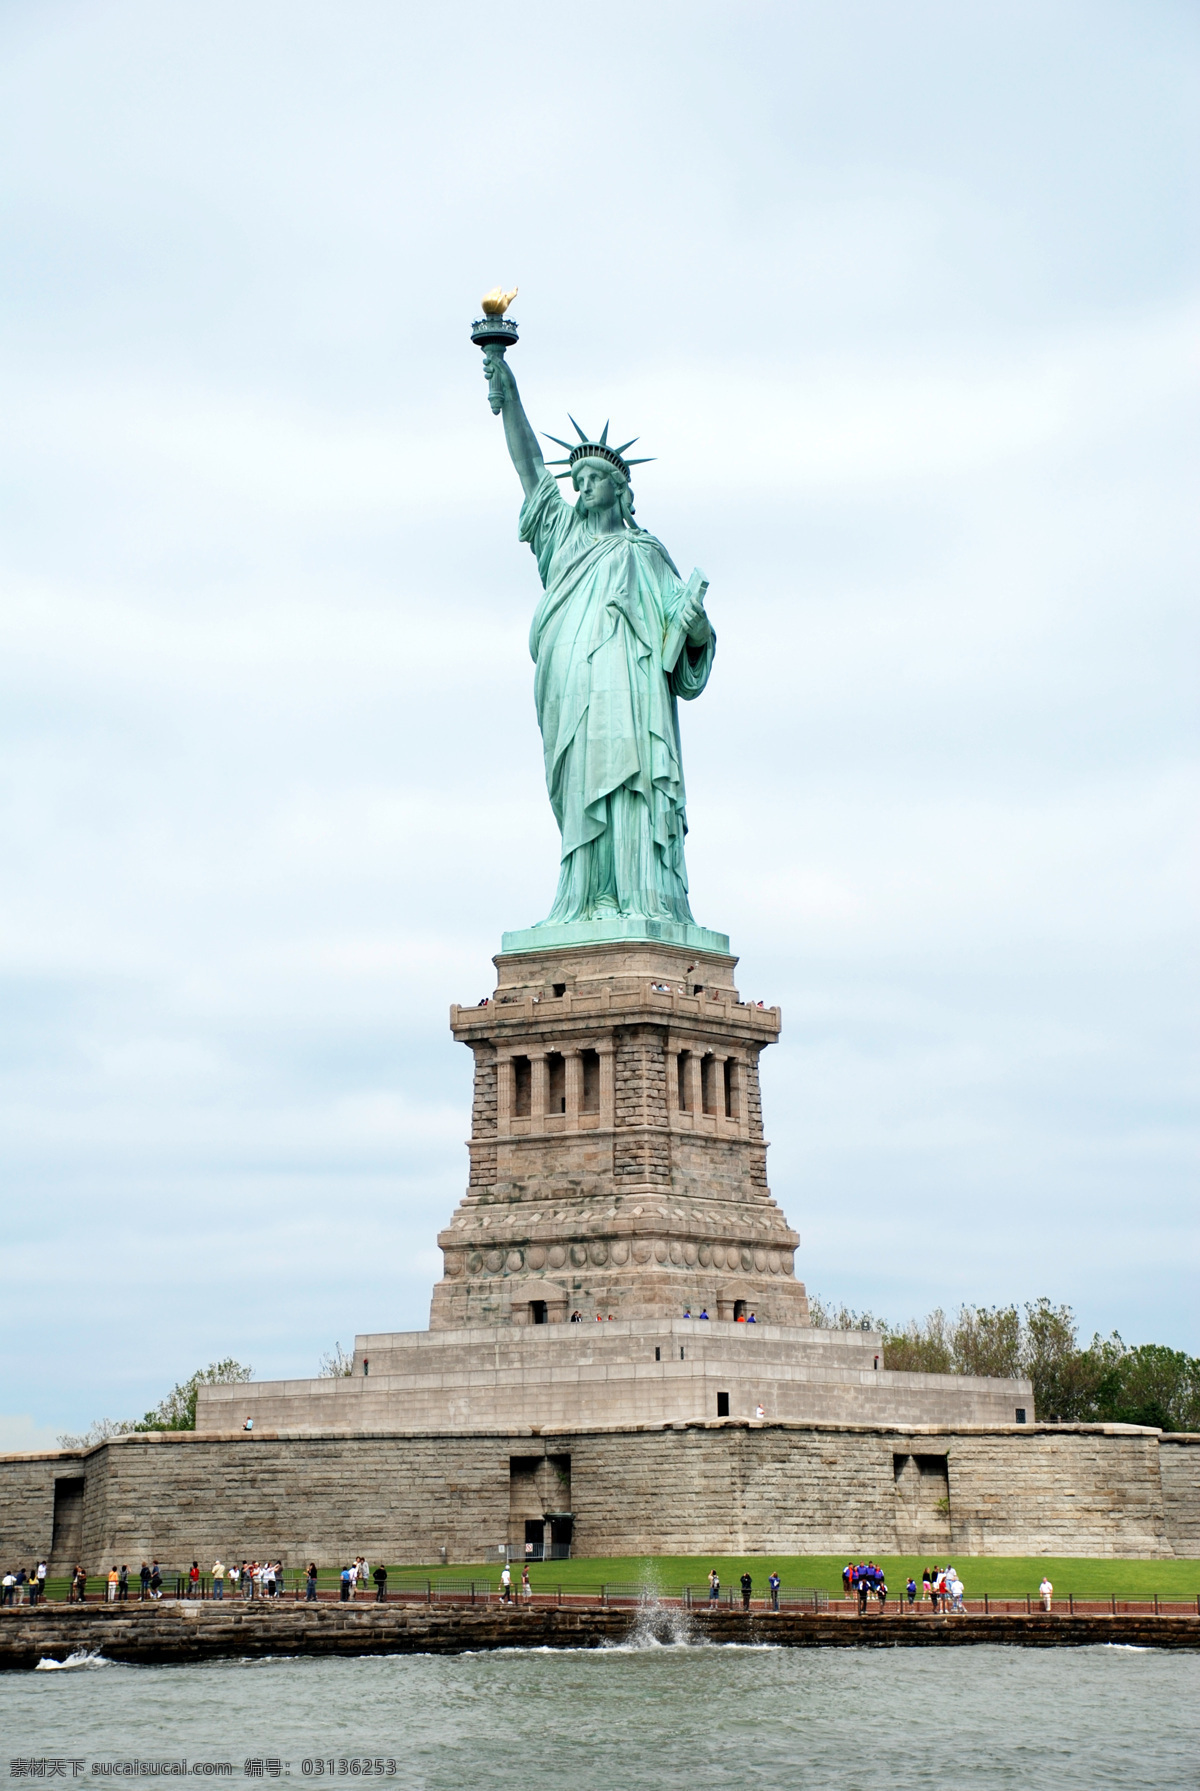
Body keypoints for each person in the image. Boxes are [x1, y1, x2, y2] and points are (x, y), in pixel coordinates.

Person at [479, 346, 716, 933]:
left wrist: (695, 624)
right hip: (574, 687)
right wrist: (506, 390)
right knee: (584, 784)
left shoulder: (645, 554)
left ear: (619, 490)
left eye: (592, 481)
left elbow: (686, 646)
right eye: (577, 481)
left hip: (632, 696)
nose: (581, 489)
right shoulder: (561, 539)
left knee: (632, 785)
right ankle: (586, 899)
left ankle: (638, 899)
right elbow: (530, 468)